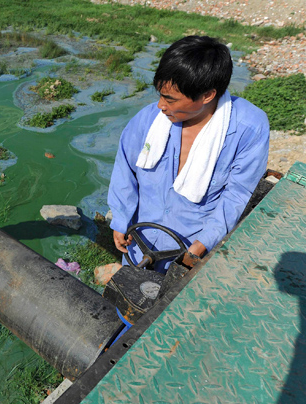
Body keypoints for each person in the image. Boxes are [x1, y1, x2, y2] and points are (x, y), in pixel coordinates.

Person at [103, 35, 269, 276]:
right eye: (160, 94)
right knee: (130, 303)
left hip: (191, 253)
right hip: (139, 240)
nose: (160, 105)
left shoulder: (248, 128)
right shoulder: (148, 120)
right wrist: (120, 220)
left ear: (207, 96)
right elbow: (124, 170)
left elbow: (238, 195)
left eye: (170, 99)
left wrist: (201, 246)